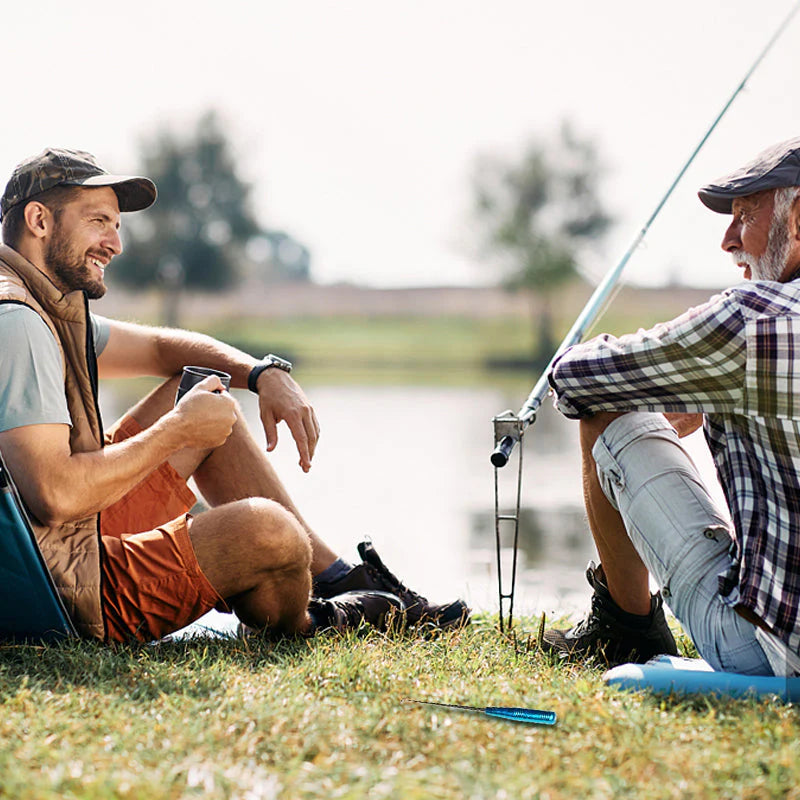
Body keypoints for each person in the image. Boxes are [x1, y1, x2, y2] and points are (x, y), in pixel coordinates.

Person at [0, 148, 469, 644]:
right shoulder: (18, 322)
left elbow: (162, 349)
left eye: (116, 226)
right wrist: (176, 431)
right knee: (269, 531)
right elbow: (55, 496)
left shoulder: (42, 304)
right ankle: (318, 620)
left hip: (56, 547)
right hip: (63, 593)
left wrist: (263, 373)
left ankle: (339, 579)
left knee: (204, 390)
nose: (115, 243)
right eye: (99, 222)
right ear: (39, 220)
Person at [541, 137, 800, 677]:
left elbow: (575, 378)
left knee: (611, 408)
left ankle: (625, 627)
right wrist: (716, 397)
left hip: (772, 652)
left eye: (745, 216)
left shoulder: (752, 320)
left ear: (796, 219)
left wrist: (693, 391)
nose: (728, 241)